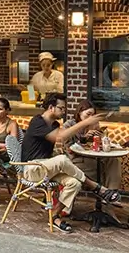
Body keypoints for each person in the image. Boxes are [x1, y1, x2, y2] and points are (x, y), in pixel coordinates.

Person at [22, 92, 120, 233]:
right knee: (63, 159)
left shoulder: (54, 123)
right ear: (51, 107)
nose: (64, 111)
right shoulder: (37, 121)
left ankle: (55, 216)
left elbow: (62, 134)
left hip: (47, 168)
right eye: (61, 108)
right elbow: (61, 136)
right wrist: (85, 123)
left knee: (75, 183)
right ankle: (98, 188)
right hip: (32, 167)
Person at [67, 99, 121, 189]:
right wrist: (84, 138)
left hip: (93, 155)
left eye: (93, 115)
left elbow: (97, 144)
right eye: (88, 114)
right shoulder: (69, 126)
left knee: (114, 160)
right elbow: (69, 148)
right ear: (80, 112)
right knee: (100, 167)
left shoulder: (94, 124)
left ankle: (112, 191)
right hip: (77, 159)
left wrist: (102, 137)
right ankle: (103, 191)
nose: (91, 118)